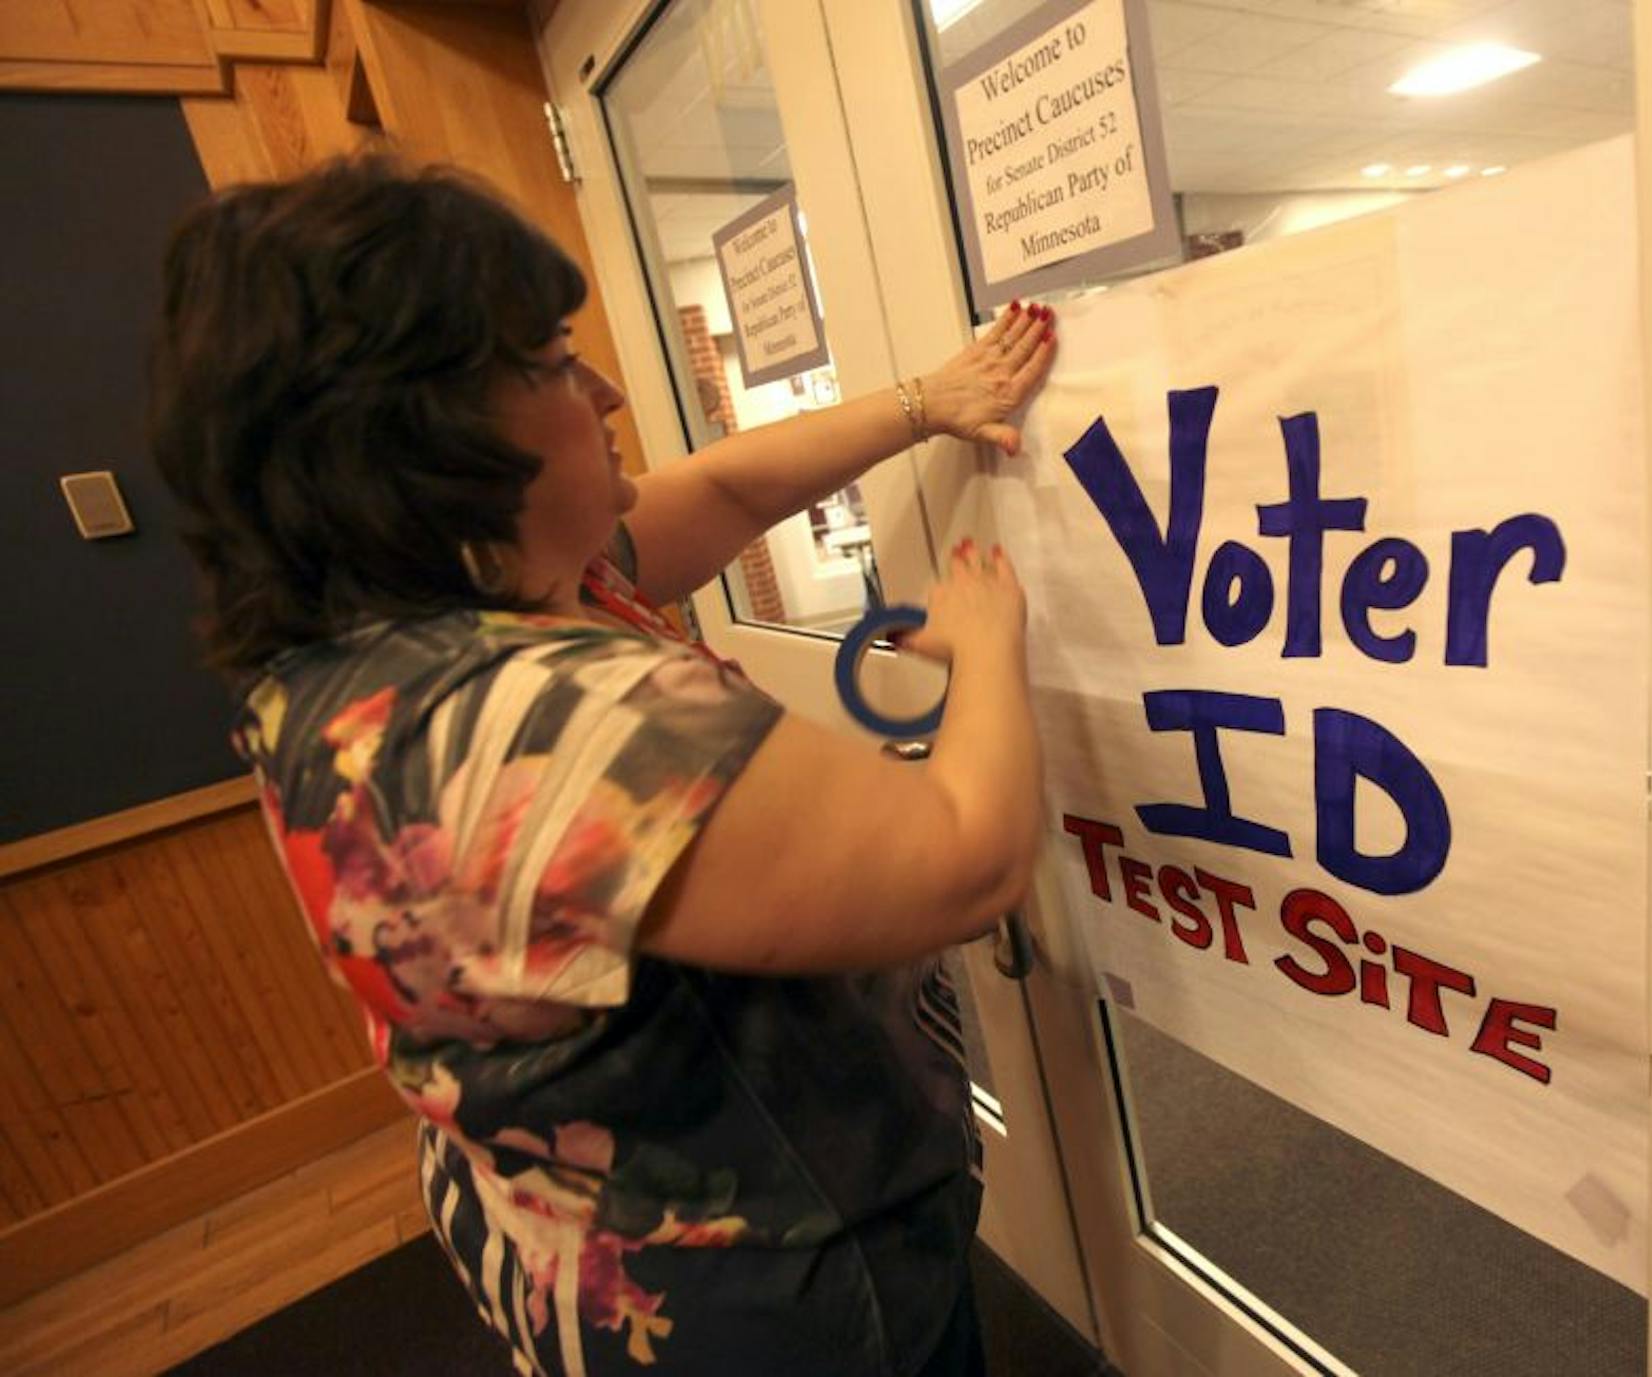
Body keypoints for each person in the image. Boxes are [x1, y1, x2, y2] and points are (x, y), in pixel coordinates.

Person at [150, 154, 1056, 1376]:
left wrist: (920, 401)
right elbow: (966, 857)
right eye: (550, 363)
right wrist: (991, 640)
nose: (610, 390)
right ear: (421, 431)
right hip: (772, 1295)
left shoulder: (392, 640)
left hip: (574, 1239)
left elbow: (730, 485)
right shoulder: (526, 721)